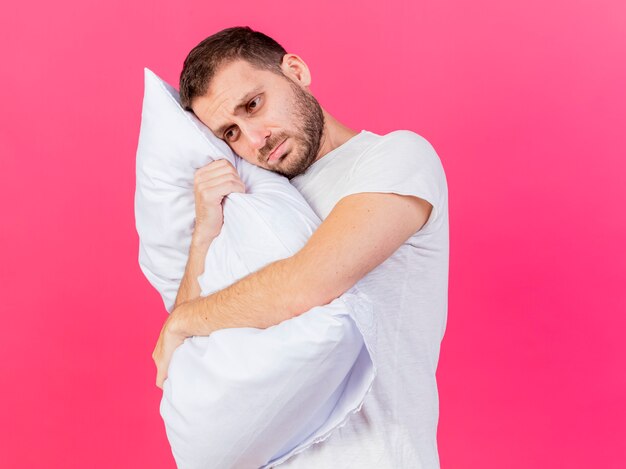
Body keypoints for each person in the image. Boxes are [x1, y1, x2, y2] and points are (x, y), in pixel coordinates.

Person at [152, 26, 449, 468]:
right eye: (230, 132)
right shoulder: (261, 203)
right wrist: (204, 232)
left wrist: (183, 320)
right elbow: (190, 359)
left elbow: (306, 285)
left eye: (253, 105)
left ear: (295, 71)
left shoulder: (395, 158)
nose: (254, 139)